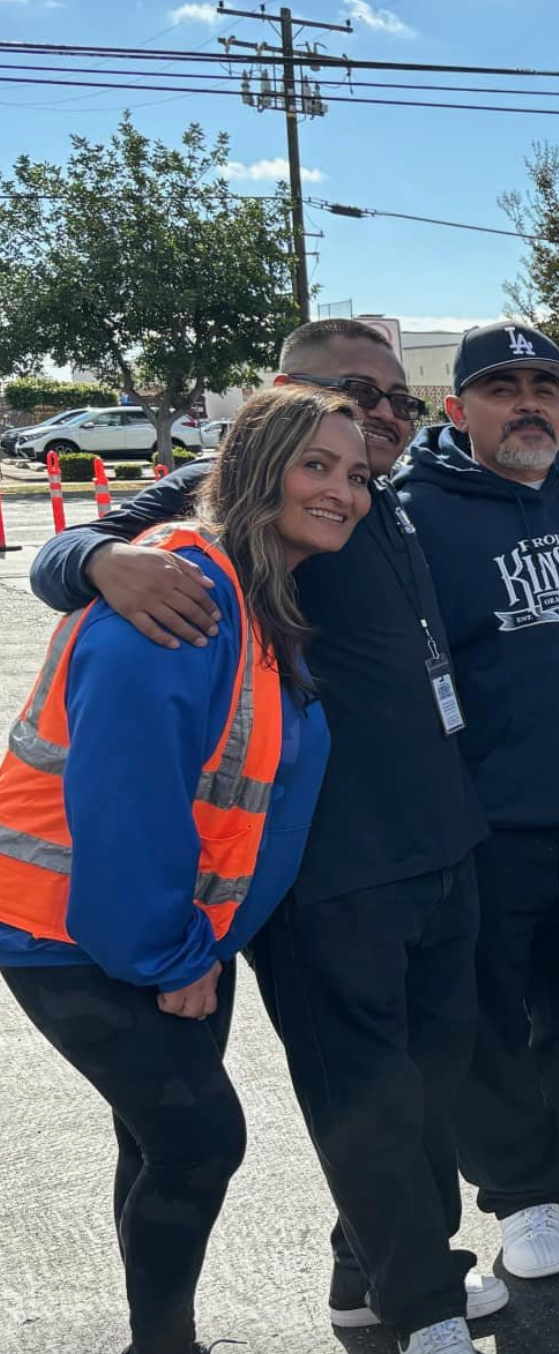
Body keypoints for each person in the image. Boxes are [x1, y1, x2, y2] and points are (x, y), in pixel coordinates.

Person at [29, 319, 503, 1352]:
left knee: (407, 1086)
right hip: (261, 896)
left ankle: (370, 1275)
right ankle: (399, 1299)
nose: (376, 425)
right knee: (235, 1126)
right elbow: (74, 555)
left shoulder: (371, 503)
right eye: (351, 399)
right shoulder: (204, 555)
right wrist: (102, 558)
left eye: (394, 403)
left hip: (395, 860)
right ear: (275, 407)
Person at [0, 385, 362, 1354]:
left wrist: (197, 940)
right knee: (201, 1139)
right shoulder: (178, 597)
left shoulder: (257, 594)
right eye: (316, 464)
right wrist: (170, 956)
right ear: (250, 469)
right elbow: (127, 802)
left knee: (155, 1138)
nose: (344, 490)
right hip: (74, 929)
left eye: (357, 473)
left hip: (169, 929)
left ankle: (161, 1341)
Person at [394, 322, 559, 1284]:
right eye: (503, 388)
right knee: (490, 1022)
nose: (529, 403)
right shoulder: (410, 513)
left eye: (545, 385)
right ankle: (519, 1190)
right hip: (482, 824)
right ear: (458, 407)